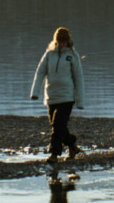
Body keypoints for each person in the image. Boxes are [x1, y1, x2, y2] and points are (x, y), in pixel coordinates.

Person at [30, 27, 85, 163]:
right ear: (56, 41)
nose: (62, 44)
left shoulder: (72, 55)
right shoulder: (49, 54)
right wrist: (35, 92)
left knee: (57, 125)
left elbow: (79, 78)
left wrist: (80, 101)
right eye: (60, 42)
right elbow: (40, 73)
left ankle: (54, 154)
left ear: (68, 41)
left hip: (67, 97)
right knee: (58, 126)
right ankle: (72, 145)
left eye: (65, 42)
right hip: (51, 97)